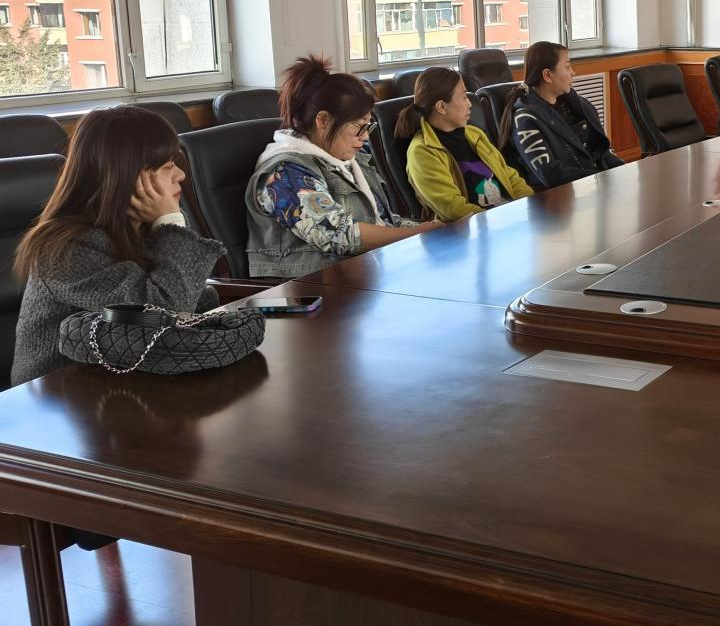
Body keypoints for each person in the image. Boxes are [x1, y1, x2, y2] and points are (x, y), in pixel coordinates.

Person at [11, 106, 225, 386]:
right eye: (167, 166)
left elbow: (189, 303)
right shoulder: (66, 248)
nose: (180, 175)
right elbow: (163, 315)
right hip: (60, 399)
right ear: (130, 175)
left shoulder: (142, 228)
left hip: (121, 383)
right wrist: (172, 225)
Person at [247, 55, 437, 277]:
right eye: (359, 126)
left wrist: (437, 228)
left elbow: (385, 222)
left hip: (361, 276)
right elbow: (337, 234)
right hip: (311, 287)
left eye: (368, 126)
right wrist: (417, 235)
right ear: (323, 120)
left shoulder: (349, 161)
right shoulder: (284, 173)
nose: (365, 137)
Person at [398, 67, 533, 221]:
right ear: (442, 107)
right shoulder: (422, 152)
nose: (469, 104)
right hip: (471, 229)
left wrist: (529, 205)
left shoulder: (474, 134)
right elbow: (454, 209)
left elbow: (509, 175)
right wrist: (501, 219)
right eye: (463, 97)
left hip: (508, 218)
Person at [501, 42, 622, 190]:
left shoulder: (576, 105)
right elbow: (552, 174)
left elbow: (600, 150)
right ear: (547, 75)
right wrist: (600, 180)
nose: (573, 72)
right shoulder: (525, 121)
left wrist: (623, 170)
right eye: (567, 67)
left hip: (591, 186)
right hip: (559, 198)